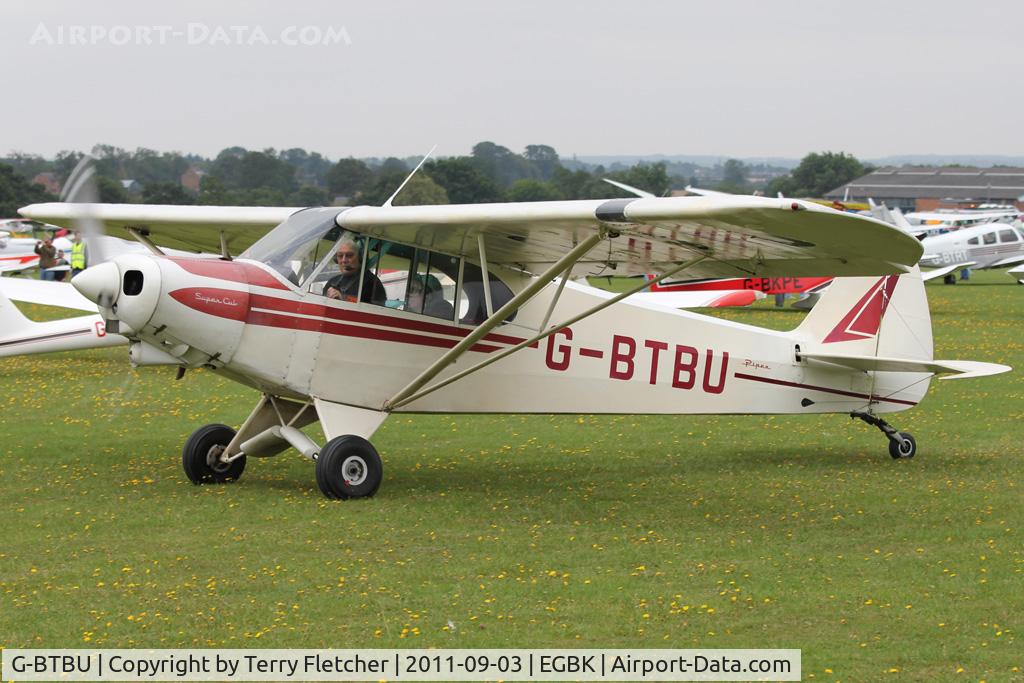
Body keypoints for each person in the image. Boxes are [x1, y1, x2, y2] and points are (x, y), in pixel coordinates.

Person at [323, 235, 386, 304]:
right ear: (336, 259)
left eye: (349, 255)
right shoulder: (332, 282)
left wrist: (344, 299)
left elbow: (375, 310)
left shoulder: (372, 283)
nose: (344, 260)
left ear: (360, 258)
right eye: (340, 256)